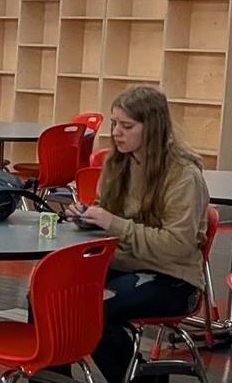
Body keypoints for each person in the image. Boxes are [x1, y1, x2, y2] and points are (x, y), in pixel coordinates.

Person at [59, 86, 209, 383]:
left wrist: (112, 222)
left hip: (174, 279)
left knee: (93, 310)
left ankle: (141, 380)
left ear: (152, 128)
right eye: (114, 123)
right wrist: (88, 217)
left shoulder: (183, 175)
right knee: (48, 296)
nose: (116, 132)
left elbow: (177, 246)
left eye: (127, 126)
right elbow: (107, 212)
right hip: (125, 264)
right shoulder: (118, 163)